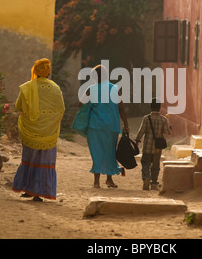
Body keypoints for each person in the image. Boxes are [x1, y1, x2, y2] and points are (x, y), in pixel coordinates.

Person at [12, 58, 65, 202]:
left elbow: (18, 106)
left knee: (29, 159)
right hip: (48, 133)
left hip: (30, 131)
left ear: (35, 71)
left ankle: (27, 190)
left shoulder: (27, 88)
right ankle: (37, 193)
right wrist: (49, 122)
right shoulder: (55, 88)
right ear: (48, 72)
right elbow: (61, 109)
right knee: (44, 161)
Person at [78, 64, 129, 189]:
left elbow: (80, 104)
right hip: (111, 127)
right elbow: (121, 108)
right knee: (110, 152)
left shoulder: (91, 89)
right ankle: (109, 179)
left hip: (95, 126)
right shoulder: (114, 88)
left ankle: (96, 182)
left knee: (97, 153)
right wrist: (126, 125)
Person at [135, 98, 171, 190]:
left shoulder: (146, 118)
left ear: (150, 107)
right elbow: (167, 132)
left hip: (147, 146)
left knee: (145, 163)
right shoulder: (163, 119)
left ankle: (146, 178)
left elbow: (141, 131)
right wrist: (169, 126)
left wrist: (137, 140)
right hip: (157, 148)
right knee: (155, 166)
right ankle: (154, 183)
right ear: (159, 108)